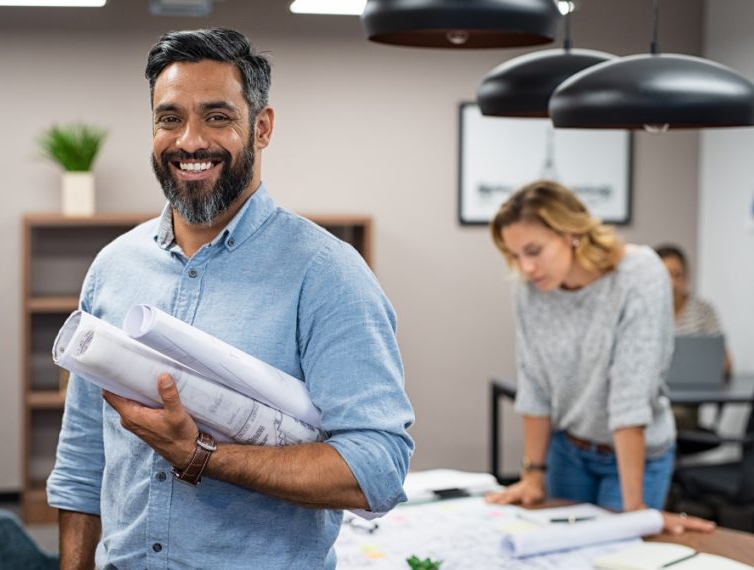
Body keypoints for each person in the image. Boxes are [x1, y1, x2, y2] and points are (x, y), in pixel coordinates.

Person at [46, 28, 414, 569]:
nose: (189, 140)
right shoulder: (113, 267)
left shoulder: (328, 274)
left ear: (261, 128)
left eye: (217, 117)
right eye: (169, 118)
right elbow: (82, 459)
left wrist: (201, 456)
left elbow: (377, 468)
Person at [484, 180, 713, 535]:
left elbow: (630, 395)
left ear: (571, 233)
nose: (525, 267)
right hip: (568, 450)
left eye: (534, 250)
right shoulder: (529, 290)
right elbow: (534, 385)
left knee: (620, 555)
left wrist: (635, 508)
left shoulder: (638, 274)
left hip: (635, 457)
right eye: (515, 255)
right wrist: (533, 476)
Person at [655, 244, 732, 445]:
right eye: (665, 275)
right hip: (652, 399)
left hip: (686, 405)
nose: (671, 283)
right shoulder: (645, 312)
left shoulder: (703, 311)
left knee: (672, 418)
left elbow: (725, 364)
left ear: (686, 276)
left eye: (677, 275)